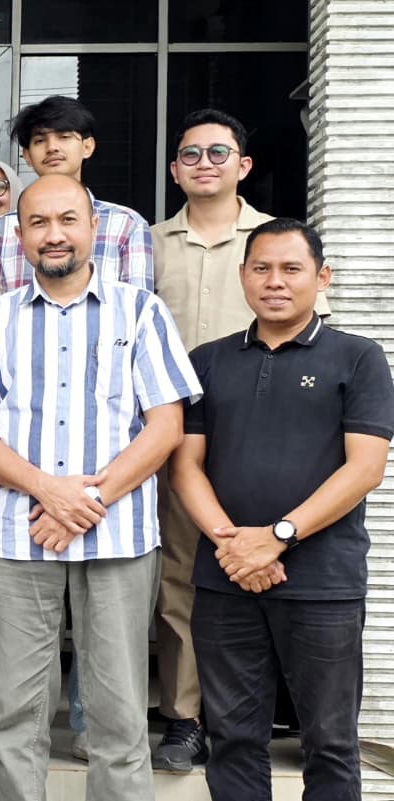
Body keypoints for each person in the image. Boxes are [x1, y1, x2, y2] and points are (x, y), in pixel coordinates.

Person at [0, 174, 201, 801]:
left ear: (94, 229)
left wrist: (83, 500)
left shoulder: (140, 311)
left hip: (118, 538)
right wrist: (49, 490)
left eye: (68, 220)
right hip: (14, 539)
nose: (54, 234)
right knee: (15, 715)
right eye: (38, 222)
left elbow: (165, 424)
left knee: (118, 719)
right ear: (18, 234)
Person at [170, 217, 394, 801]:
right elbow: (186, 466)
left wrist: (280, 535)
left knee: (330, 742)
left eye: (291, 269)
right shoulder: (208, 361)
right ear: (244, 276)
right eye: (261, 268)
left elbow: (365, 468)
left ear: (322, 278)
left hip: (323, 586)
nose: (275, 281)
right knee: (233, 739)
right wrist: (234, 544)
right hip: (227, 579)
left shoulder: (359, 358)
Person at [150, 108, 331, 771]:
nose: (204, 163)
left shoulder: (276, 243)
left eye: (217, 152)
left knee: (290, 567)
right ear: (174, 168)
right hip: (178, 436)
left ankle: (291, 717)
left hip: (270, 432)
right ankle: (185, 716)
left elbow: (315, 336)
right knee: (182, 576)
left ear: (243, 165)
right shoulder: (149, 243)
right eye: (190, 154)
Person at [0, 95, 153, 293]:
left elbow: (137, 308)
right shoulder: (2, 229)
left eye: (64, 137)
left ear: (87, 147)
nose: (52, 147)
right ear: (27, 156)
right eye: (40, 140)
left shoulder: (126, 224)